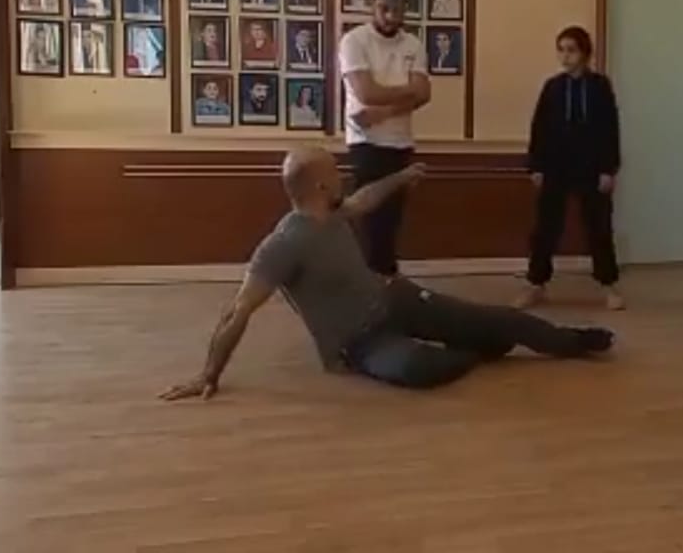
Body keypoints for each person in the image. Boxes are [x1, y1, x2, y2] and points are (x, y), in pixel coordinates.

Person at [158, 147, 615, 396]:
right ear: (320, 184)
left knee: (504, 319)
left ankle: (573, 341)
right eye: (336, 171)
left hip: (395, 299)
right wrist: (209, 373)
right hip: (359, 341)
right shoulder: (284, 244)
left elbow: (365, 199)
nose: (344, 176)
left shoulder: (333, 211)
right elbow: (238, 311)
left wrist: (402, 177)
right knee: (419, 369)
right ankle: (478, 351)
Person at [516, 26, 624, 311]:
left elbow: (610, 129)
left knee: (599, 227)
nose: (565, 56)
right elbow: (539, 129)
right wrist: (536, 166)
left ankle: (609, 285)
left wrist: (608, 169)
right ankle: (536, 284)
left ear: (585, 53)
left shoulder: (600, 87)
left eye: (571, 50)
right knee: (545, 228)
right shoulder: (552, 87)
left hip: (591, 167)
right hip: (555, 166)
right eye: (561, 50)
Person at [339, 0, 431, 277]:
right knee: (368, 217)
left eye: (398, 9)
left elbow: (424, 94)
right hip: (366, 141)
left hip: (400, 142)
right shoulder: (354, 41)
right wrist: (407, 91)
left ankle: (385, 278)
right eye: (384, 9)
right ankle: (373, 280)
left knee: (392, 218)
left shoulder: (413, 44)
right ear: (372, 5)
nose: (391, 16)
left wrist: (383, 111)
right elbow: (367, 93)